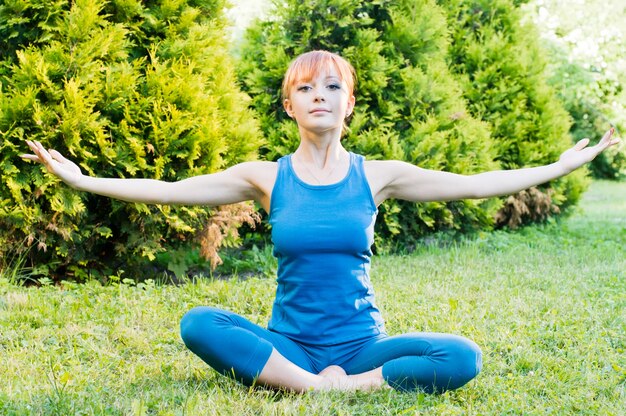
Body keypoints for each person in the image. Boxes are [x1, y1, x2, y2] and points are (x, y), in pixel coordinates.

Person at [22, 50, 619, 394]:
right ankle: (311, 387)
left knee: (462, 356)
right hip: (290, 346)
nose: (320, 96)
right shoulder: (267, 178)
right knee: (200, 322)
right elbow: (172, 191)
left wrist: (554, 166)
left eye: (333, 86)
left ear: (349, 103)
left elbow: (472, 185)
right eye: (305, 88)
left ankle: (346, 387)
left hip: (361, 348)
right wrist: (82, 180)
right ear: (290, 105)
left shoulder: (378, 175)